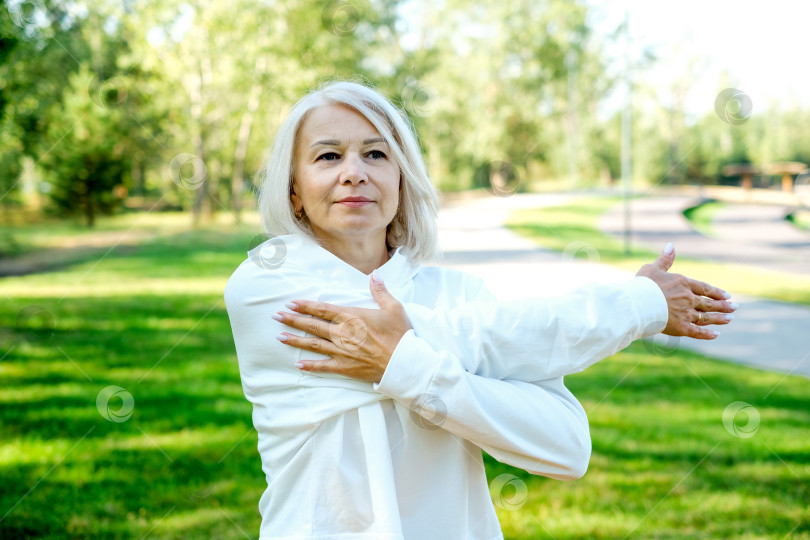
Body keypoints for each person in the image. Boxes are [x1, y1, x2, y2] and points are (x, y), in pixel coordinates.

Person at [223, 80, 737, 539]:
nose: (354, 173)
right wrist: (637, 304)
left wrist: (407, 368)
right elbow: (488, 339)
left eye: (376, 155)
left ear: (402, 180)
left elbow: (566, 446)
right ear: (294, 189)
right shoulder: (265, 287)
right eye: (328, 156)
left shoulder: (459, 294)